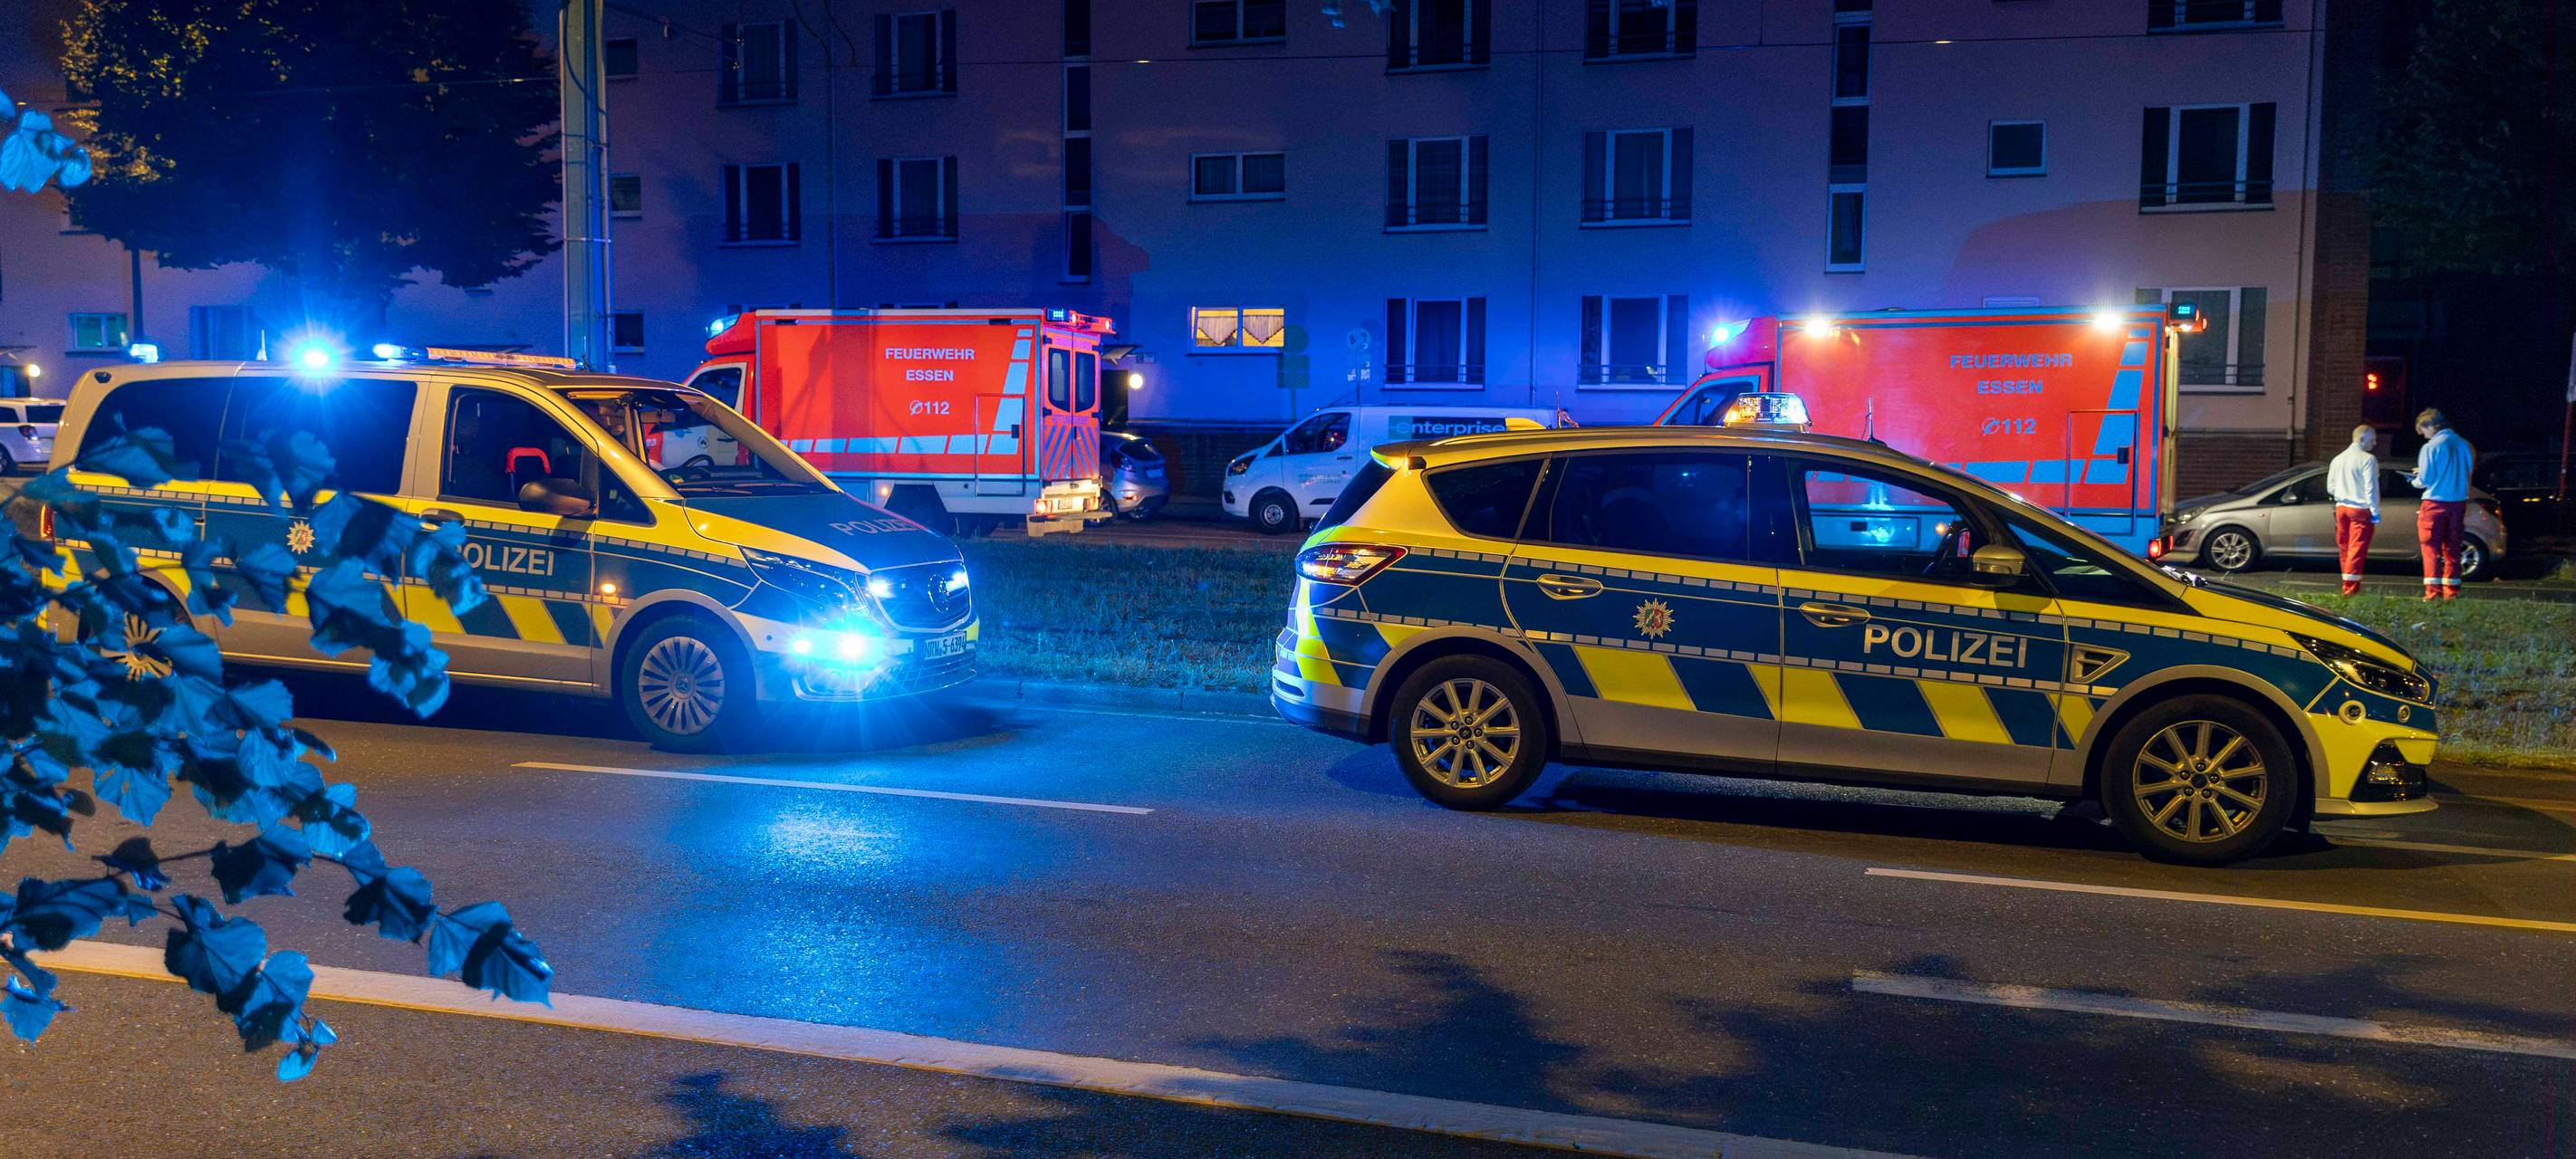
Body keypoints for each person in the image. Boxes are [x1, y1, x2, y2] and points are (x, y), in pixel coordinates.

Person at [2408, 407, 2474, 600]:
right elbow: (2467, 472)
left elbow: (2426, 479)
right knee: (2452, 548)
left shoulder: (2431, 447)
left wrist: (2415, 479)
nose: (2425, 436)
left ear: (2430, 425)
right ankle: (2452, 592)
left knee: (2430, 549)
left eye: (2424, 431)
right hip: (2458, 502)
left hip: (2435, 502)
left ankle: (2432, 593)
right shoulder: (2465, 445)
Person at [2325, 425, 2379, 597]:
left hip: (2341, 508)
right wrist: (2375, 512)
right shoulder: (2368, 459)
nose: (2375, 443)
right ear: (2362, 439)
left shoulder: (2337, 459)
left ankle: (2346, 583)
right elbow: (2371, 488)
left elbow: (2330, 488)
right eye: (2372, 439)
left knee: (2345, 548)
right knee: (2357, 549)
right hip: (2359, 509)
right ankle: (2350, 589)